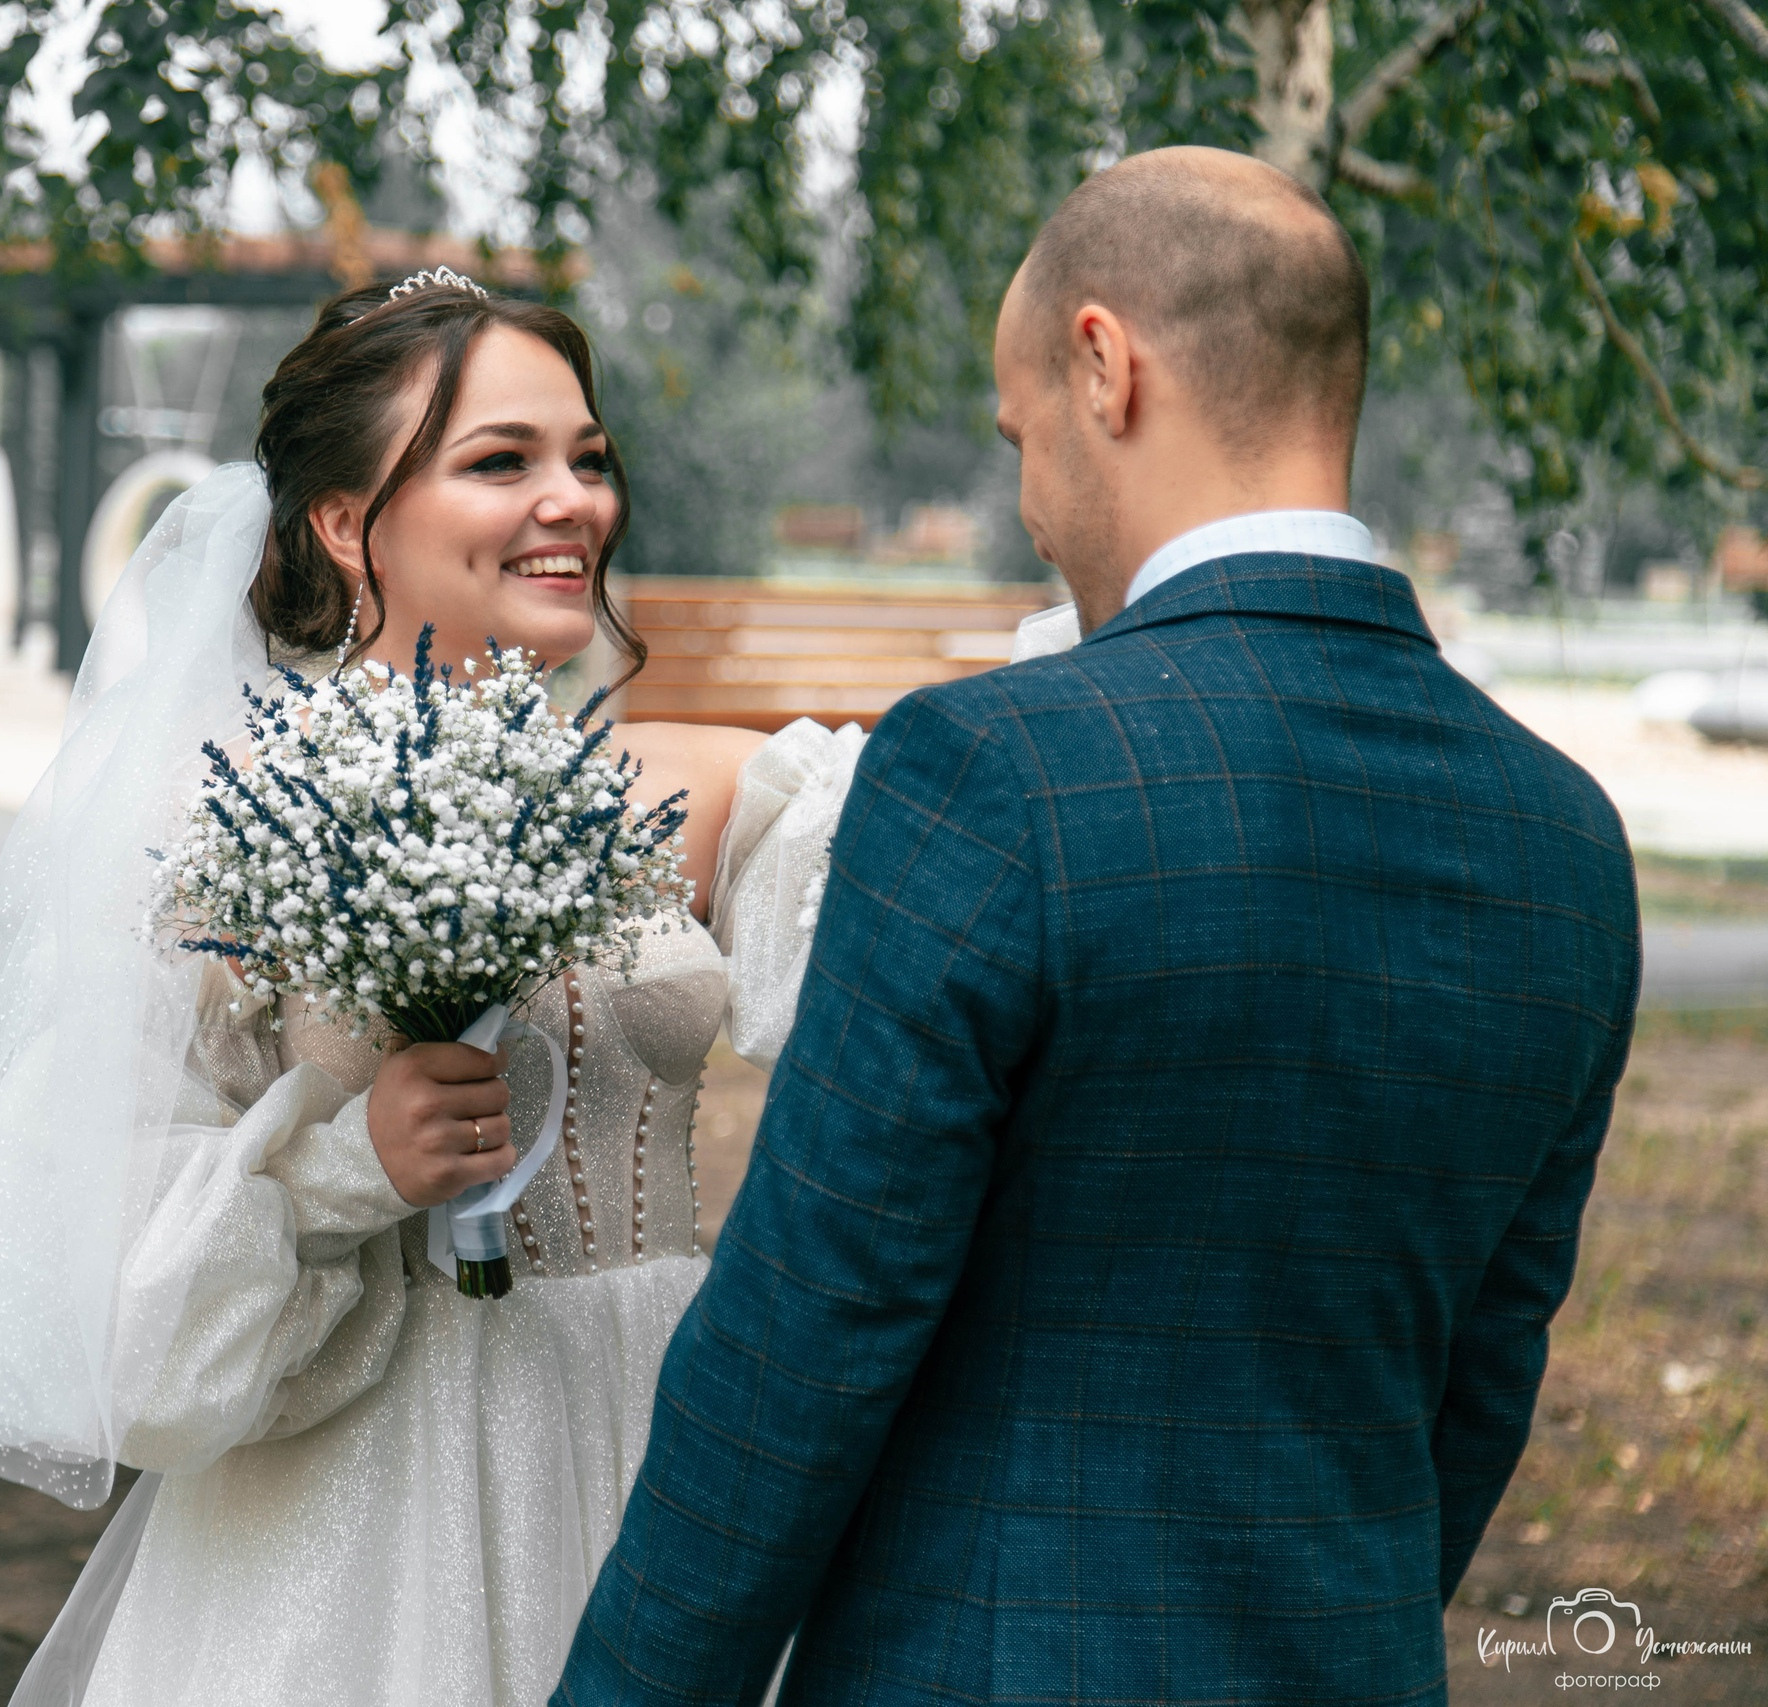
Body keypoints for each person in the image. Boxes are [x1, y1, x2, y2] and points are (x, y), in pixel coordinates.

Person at [555, 146, 1642, 1705]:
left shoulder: (993, 772)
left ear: (1102, 366)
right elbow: (1477, 1389)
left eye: (1018, 437)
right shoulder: (1563, 839)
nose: (1028, 504)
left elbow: (804, 1338)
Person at [0, 269, 864, 1706]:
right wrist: (354, 1164)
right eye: (500, 462)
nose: (573, 501)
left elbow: (951, 979)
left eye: (588, 459)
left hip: (661, 1446)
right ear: (347, 523)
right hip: (353, 1526)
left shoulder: (703, 791)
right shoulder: (211, 830)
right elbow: (125, 1345)